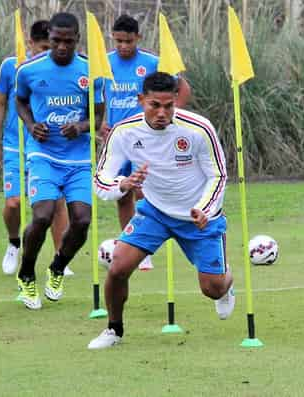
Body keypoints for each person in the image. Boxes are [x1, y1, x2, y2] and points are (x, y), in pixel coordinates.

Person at [88, 72, 234, 349]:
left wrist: (205, 208)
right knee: (118, 267)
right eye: (155, 105)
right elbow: (100, 178)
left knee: (213, 289)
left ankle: (226, 277)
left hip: (197, 218)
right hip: (154, 212)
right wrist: (123, 184)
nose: (162, 113)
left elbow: (219, 175)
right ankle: (113, 330)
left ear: (176, 100)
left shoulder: (199, 128)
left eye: (169, 105)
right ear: (141, 100)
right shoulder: (124, 132)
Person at [15, 12, 105, 309]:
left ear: (77, 40)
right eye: (56, 41)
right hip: (43, 155)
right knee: (42, 216)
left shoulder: (91, 72)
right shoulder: (29, 70)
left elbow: (98, 113)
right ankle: (26, 273)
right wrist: (30, 125)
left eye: (68, 41)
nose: (62, 47)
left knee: (82, 221)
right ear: (49, 39)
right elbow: (21, 100)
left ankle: (57, 268)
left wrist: (79, 126)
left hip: (78, 158)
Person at [103, 14, 191, 271]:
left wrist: (169, 120)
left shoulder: (153, 63)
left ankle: (146, 245)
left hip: (147, 139)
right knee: (122, 193)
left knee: (144, 191)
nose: (123, 46)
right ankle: (132, 244)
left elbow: (183, 90)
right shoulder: (104, 64)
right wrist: (98, 125)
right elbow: (94, 97)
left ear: (138, 38)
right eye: (118, 41)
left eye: (128, 41)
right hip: (119, 141)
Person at [0, 20, 73, 277]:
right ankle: (14, 242)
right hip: (16, 145)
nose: (49, 52)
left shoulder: (61, 68)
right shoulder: (11, 67)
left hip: (46, 147)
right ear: (30, 44)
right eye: (44, 47)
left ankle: (61, 257)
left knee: (57, 203)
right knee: (14, 203)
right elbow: (0, 103)